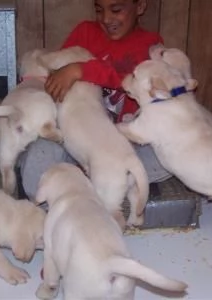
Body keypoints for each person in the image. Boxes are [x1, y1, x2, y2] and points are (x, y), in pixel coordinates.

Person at [19, 0, 171, 199]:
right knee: (35, 174)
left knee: (167, 156)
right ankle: (103, 183)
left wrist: (82, 69)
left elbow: (133, 81)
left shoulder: (150, 45)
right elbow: (58, 77)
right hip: (76, 140)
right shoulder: (85, 32)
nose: (106, 19)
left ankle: (87, 183)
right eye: (99, 10)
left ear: (140, 6)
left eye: (116, 10)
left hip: (123, 141)